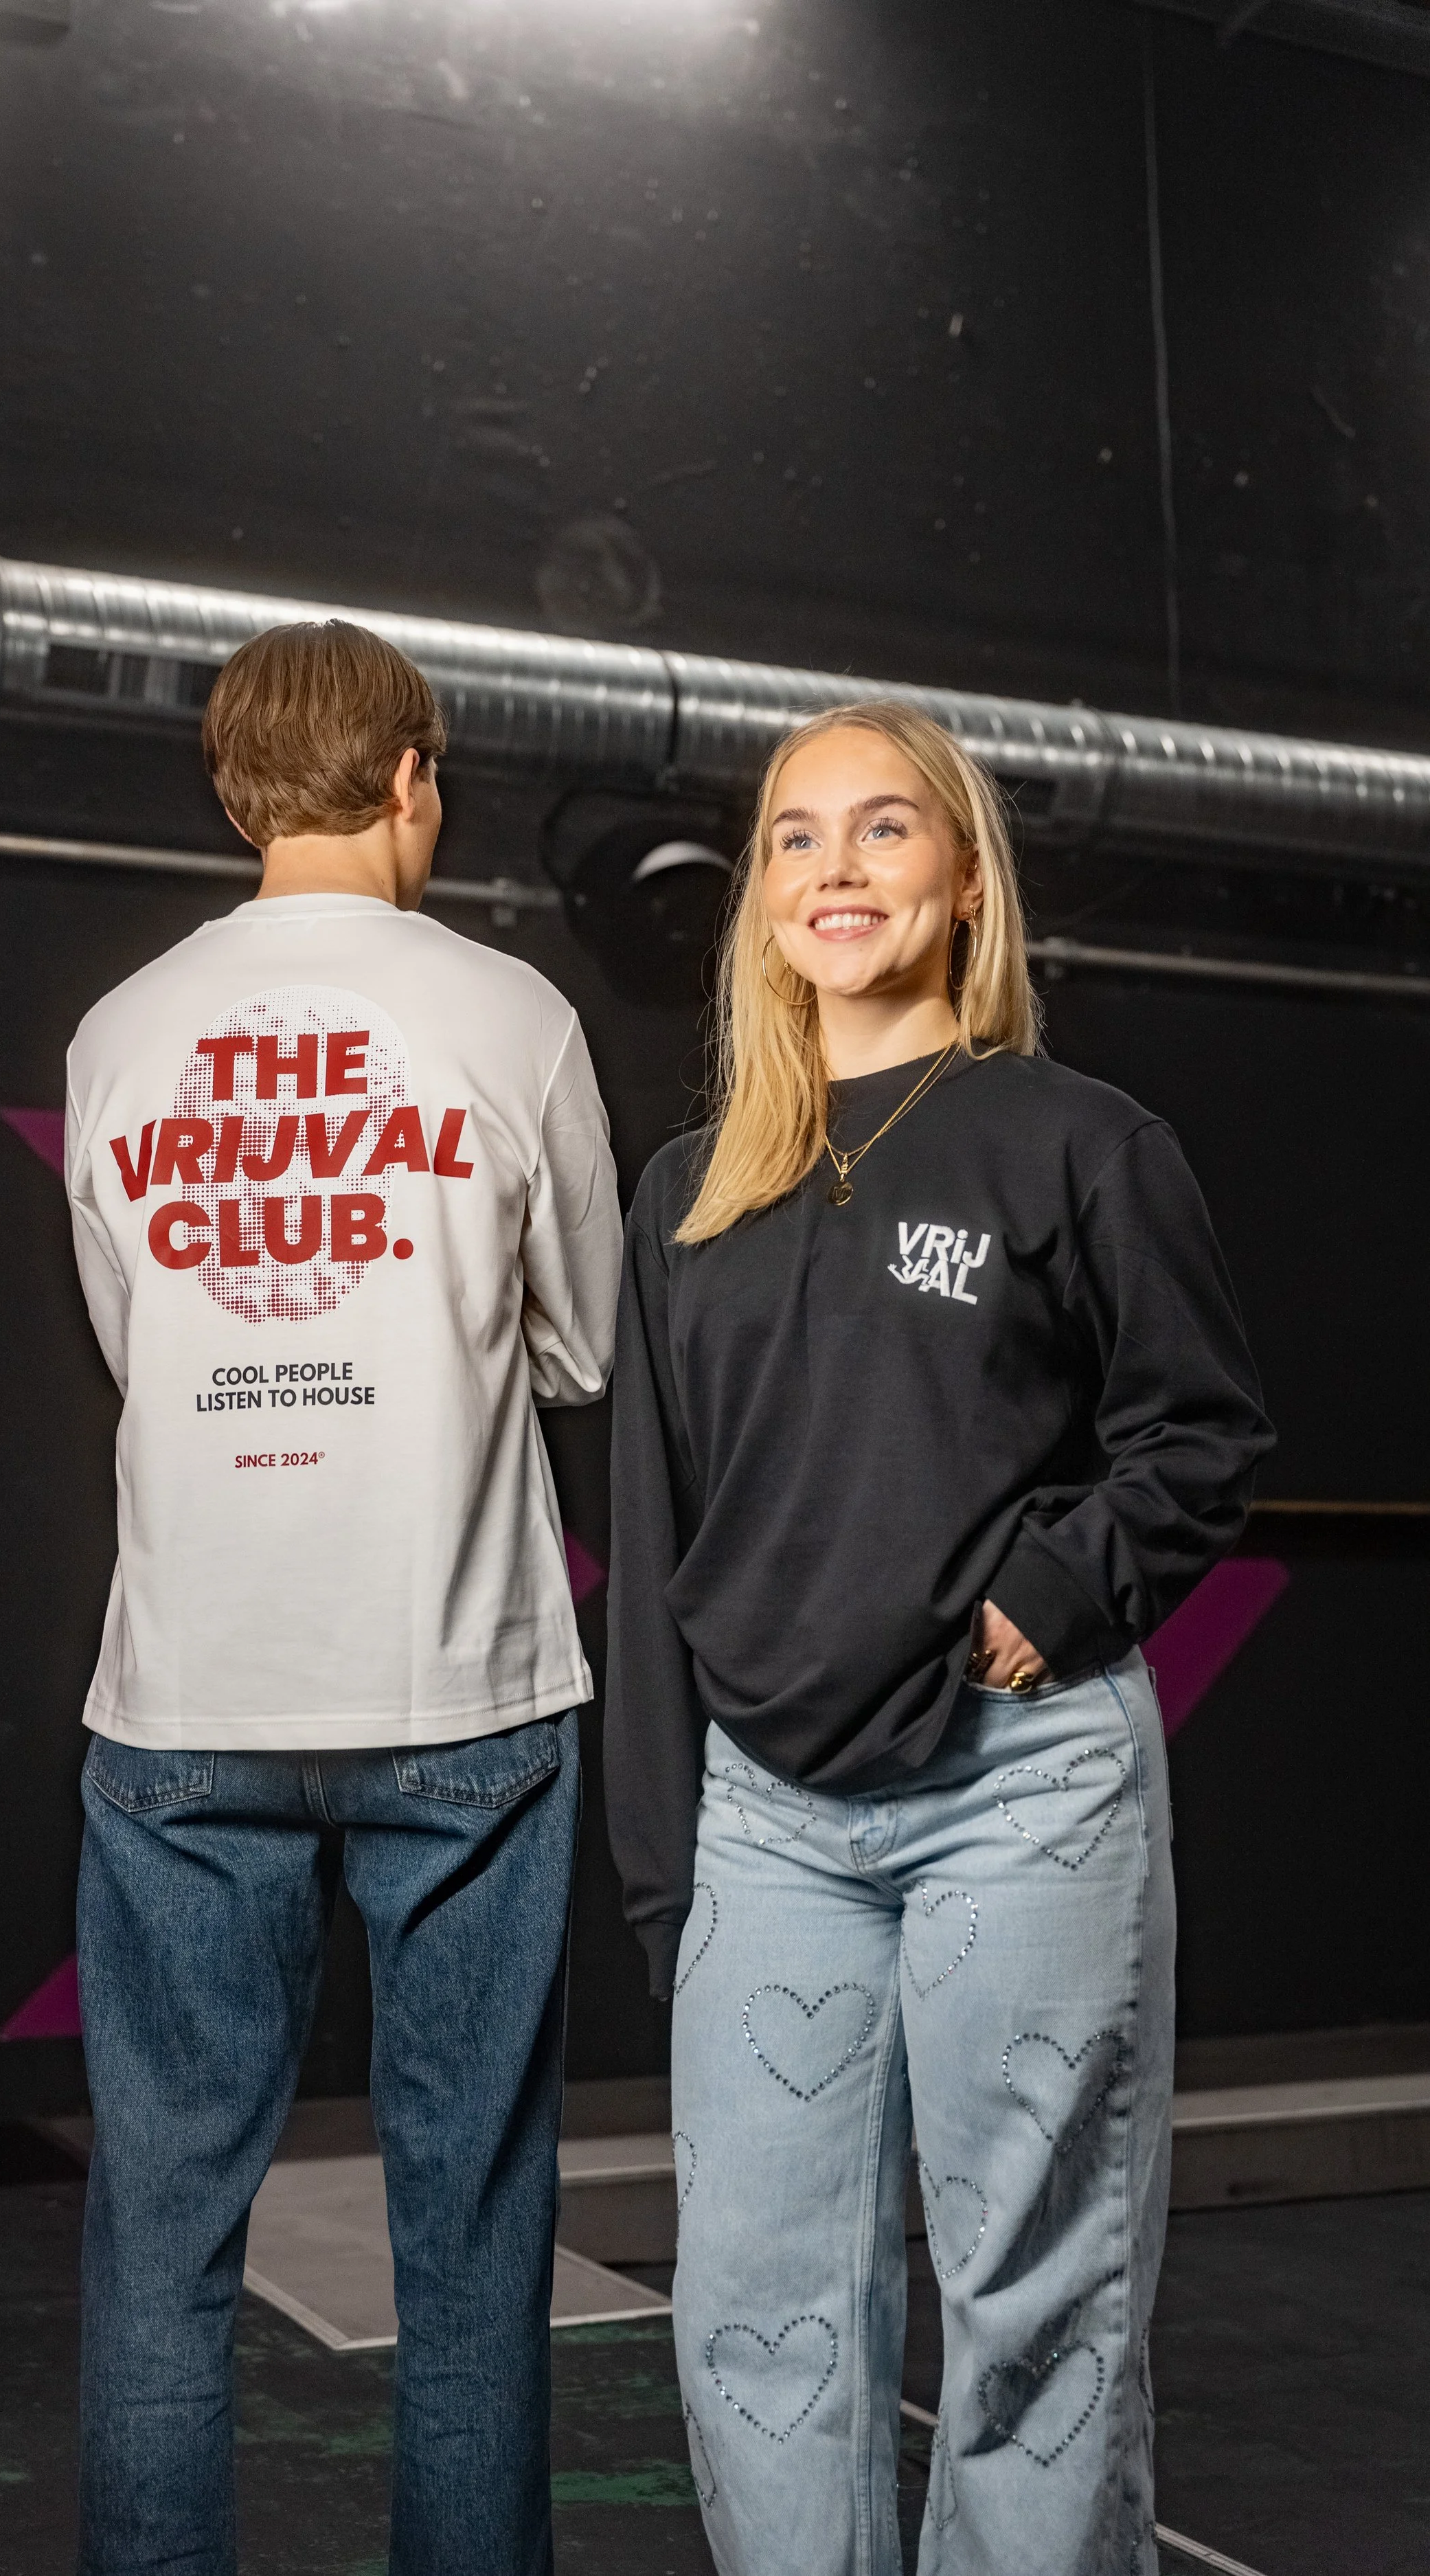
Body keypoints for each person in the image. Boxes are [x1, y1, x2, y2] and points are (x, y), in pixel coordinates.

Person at [604, 702, 1271, 2576]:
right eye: (796, 837)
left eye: (883, 829)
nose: (836, 868)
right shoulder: (685, 1196)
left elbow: (1202, 1433)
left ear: (961, 882)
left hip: (1021, 1791)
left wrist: (1047, 1595)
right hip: (762, 1825)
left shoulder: (1073, 1139)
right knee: (753, 2317)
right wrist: (665, 1877)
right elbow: (656, 1544)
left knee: (1030, 2301)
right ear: (756, 901)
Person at [63, 619, 621, 2576]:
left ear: (234, 796)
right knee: (469, 2234)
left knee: (161, 2233)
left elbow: (138, 1342)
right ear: (414, 777)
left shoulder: (120, 1037)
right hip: (459, 1697)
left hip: (186, 1705)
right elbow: (579, 1351)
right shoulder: (509, 1017)